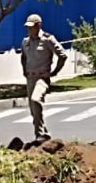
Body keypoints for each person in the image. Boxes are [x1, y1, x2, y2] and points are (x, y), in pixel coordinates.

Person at [20, 14, 67, 143]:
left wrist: (54, 72)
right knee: (33, 109)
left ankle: (39, 134)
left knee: (36, 99)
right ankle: (44, 134)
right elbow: (23, 57)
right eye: (28, 27)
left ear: (38, 25)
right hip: (30, 78)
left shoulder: (47, 39)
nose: (29, 30)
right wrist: (25, 70)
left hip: (42, 78)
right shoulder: (25, 42)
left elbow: (62, 55)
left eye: (32, 27)